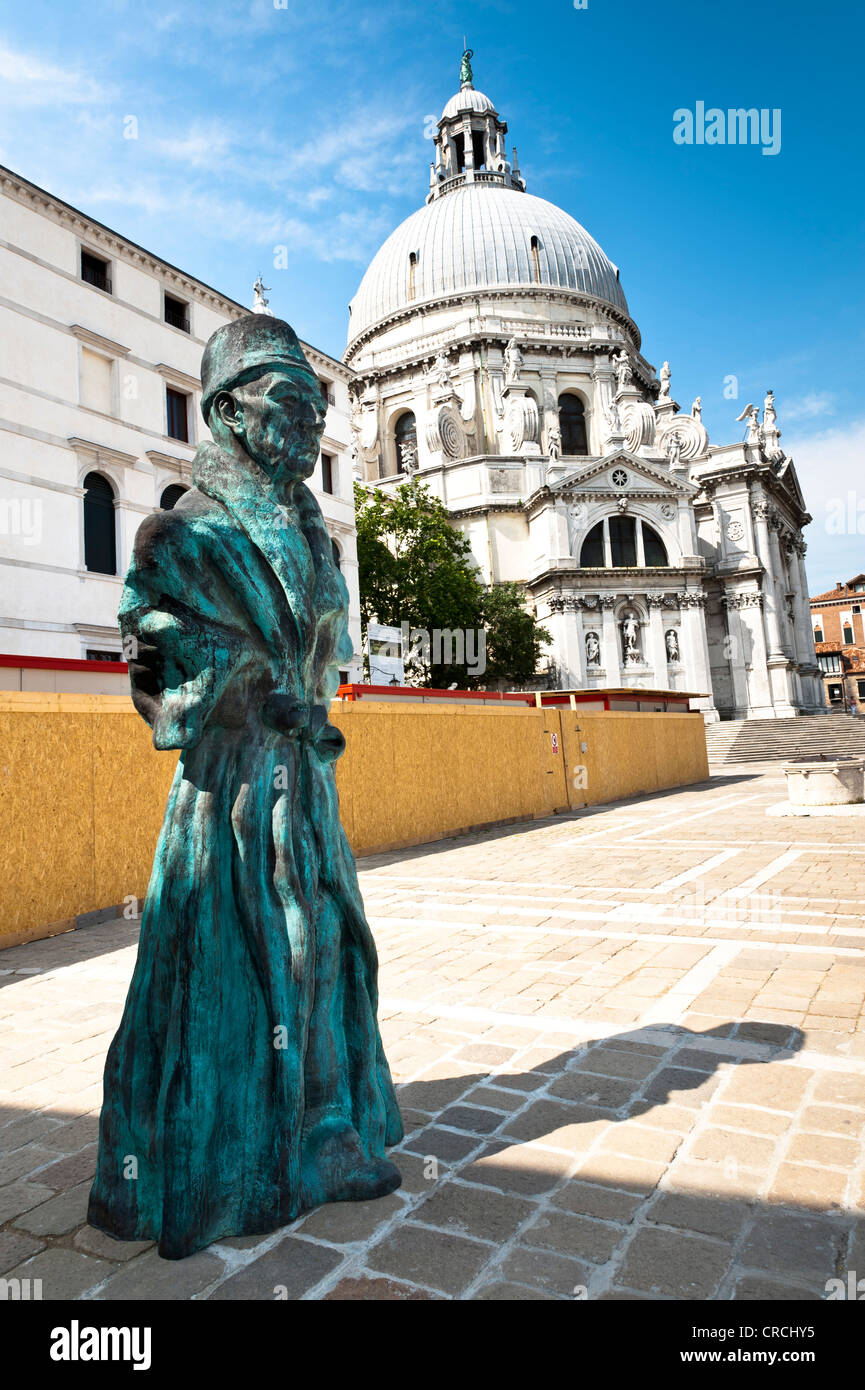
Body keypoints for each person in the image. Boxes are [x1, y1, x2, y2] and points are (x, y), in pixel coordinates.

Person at [88, 316, 402, 1260]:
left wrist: (306, 699)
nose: (312, 426)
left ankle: (325, 1132)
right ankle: (219, 1162)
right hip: (228, 797)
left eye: (317, 407)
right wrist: (251, 689)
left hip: (305, 789)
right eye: (292, 403)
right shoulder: (180, 534)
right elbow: (151, 659)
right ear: (229, 410)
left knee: (328, 947)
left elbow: (325, 656)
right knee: (253, 959)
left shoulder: (313, 535)